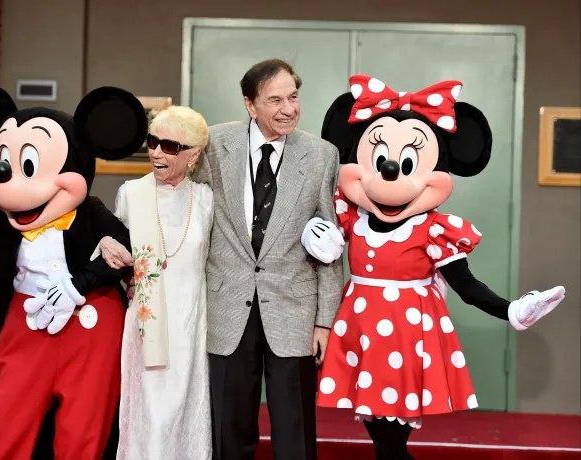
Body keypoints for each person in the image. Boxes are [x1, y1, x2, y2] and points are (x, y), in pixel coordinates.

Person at [301, 74, 566, 459]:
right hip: (360, 334)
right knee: (380, 435)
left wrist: (509, 309)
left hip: (406, 339)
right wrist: (312, 234)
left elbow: (466, 284)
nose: (391, 172)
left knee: (391, 441)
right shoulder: (351, 216)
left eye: (408, 162)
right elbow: (318, 251)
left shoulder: (433, 229)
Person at [0, 86, 146, 459]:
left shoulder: (92, 213)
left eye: (31, 166)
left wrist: (78, 283)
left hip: (88, 326)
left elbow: (125, 249)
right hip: (26, 325)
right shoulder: (11, 223)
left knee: (83, 429)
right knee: (9, 422)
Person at [188, 59, 344, 460]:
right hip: (225, 305)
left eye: (293, 97)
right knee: (228, 428)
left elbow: (330, 244)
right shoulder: (215, 146)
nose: (288, 108)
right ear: (249, 104)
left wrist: (325, 320)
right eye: (275, 100)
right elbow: (186, 211)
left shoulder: (322, 155)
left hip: (293, 308)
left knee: (295, 431)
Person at [96, 105, 213, 460]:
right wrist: (105, 245)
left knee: (186, 412)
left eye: (170, 146)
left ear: (192, 155)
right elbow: (111, 241)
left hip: (192, 324)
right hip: (147, 324)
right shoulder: (132, 193)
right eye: (152, 142)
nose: (157, 152)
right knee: (149, 413)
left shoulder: (207, 200)